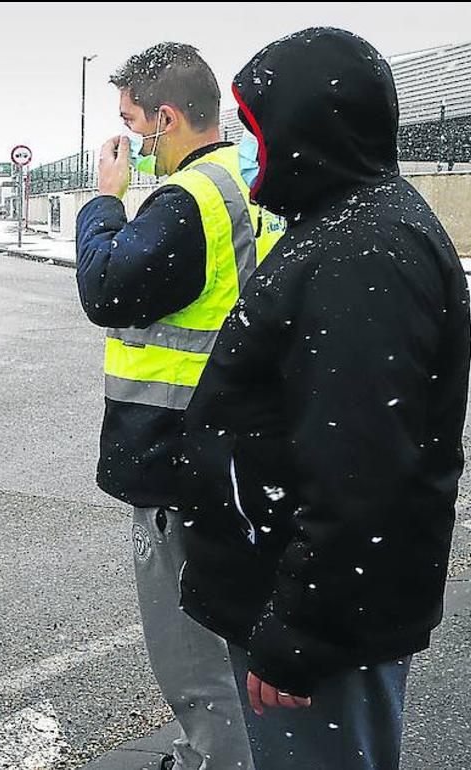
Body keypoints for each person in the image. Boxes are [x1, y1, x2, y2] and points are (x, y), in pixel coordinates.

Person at [179, 28, 469, 769]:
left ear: (305, 123)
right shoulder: (342, 225)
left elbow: (362, 473)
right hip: (308, 603)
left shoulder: (366, 248)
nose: (246, 146)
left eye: (253, 127)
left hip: (324, 629)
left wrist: (300, 637)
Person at [75, 42, 284, 770]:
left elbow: (105, 288)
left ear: (166, 118)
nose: (131, 141)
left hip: (179, 460)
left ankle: (217, 760)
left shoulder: (186, 200)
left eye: (133, 124)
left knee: (192, 655)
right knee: (240, 635)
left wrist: (104, 198)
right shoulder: (245, 182)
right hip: (237, 451)